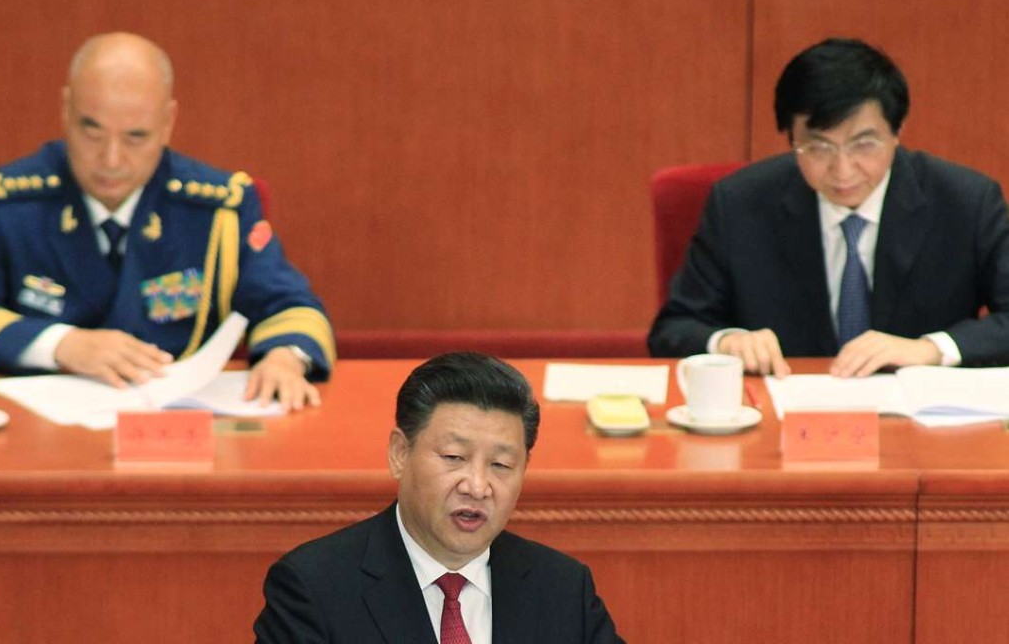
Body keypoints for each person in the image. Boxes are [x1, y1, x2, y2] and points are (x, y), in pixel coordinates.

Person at [0, 32, 334, 409]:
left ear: (168, 122)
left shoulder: (217, 208)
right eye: (92, 130)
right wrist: (60, 344)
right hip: (38, 432)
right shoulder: (8, 203)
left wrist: (285, 358)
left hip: (178, 426)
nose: (112, 159)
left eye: (135, 137)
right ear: (66, 109)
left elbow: (291, 306)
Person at [648, 37, 1009, 378]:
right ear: (791, 138)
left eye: (863, 144)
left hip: (921, 425)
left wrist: (931, 349)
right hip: (785, 422)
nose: (843, 170)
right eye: (818, 148)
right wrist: (726, 342)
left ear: (897, 131)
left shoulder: (966, 202)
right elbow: (673, 330)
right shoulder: (740, 204)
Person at [253, 352, 623, 643]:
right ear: (400, 453)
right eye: (453, 458)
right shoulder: (314, 588)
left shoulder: (562, 588)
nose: (477, 486)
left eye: (501, 464)